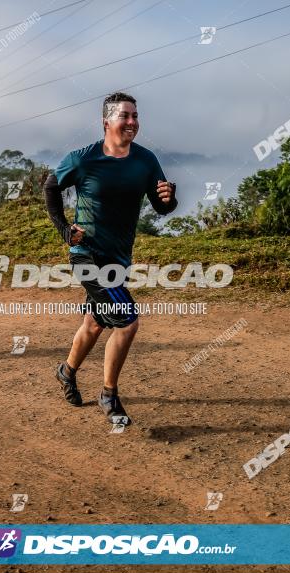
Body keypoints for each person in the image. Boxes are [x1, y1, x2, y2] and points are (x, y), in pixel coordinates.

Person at [45, 91, 177, 426]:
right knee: (128, 321)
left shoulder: (145, 161)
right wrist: (63, 228)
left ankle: (66, 371)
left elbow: (162, 207)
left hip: (119, 260)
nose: (132, 122)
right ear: (107, 122)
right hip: (87, 254)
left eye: (135, 116)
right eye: (125, 116)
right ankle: (109, 394)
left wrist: (169, 200)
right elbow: (50, 187)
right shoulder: (83, 159)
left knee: (95, 322)